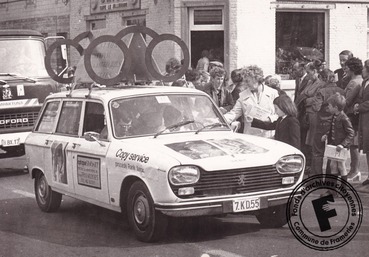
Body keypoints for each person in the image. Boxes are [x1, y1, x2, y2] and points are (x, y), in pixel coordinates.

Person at [224, 65, 279, 138]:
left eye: (247, 81)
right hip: (251, 137)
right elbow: (233, 113)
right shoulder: (243, 95)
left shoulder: (273, 93)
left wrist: (269, 119)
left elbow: (280, 114)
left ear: (256, 78)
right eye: (245, 81)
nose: (245, 84)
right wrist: (218, 121)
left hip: (268, 137)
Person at [310, 69, 345, 175]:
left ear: (324, 78)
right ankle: (331, 177)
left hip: (322, 123)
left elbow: (316, 107)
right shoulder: (341, 91)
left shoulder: (321, 91)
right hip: (336, 123)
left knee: (317, 152)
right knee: (333, 151)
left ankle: (317, 177)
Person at [295, 60, 325, 172]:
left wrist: (306, 100)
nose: (307, 74)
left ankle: (313, 166)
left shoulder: (321, 83)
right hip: (306, 114)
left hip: (314, 114)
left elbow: (318, 98)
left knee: (312, 140)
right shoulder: (309, 82)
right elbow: (303, 94)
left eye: (309, 72)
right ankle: (309, 164)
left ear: (315, 71)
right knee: (306, 139)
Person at [321, 93, 354, 192]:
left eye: (330, 106)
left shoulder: (344, 118)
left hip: (341, 147)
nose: (328, 108)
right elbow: (332, 129)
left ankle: (343, 189)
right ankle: (333, 189)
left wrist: (343, 144)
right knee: (332, 166)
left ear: (335, 107)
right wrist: (327, 135)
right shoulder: (334, 116)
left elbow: (351, 133)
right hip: (334, 146)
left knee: (341, 166)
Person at [343, 57, 363, 181]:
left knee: (353, 144)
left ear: (351, 69)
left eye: (347, 67)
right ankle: (355, 170)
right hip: (356, 115)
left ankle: (354, 170)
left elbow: (347, 100)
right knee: (354, 143)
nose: (345, 69)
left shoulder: (353, 82)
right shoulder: (360, 80)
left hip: (351, 115)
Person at [354, 59, 369, 185]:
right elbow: (360, 97)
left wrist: (360, 107)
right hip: (364, 119)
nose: (362, 70)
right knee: (367, 148)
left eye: (364, 68)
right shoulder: (364, 82)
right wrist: (357, 104)